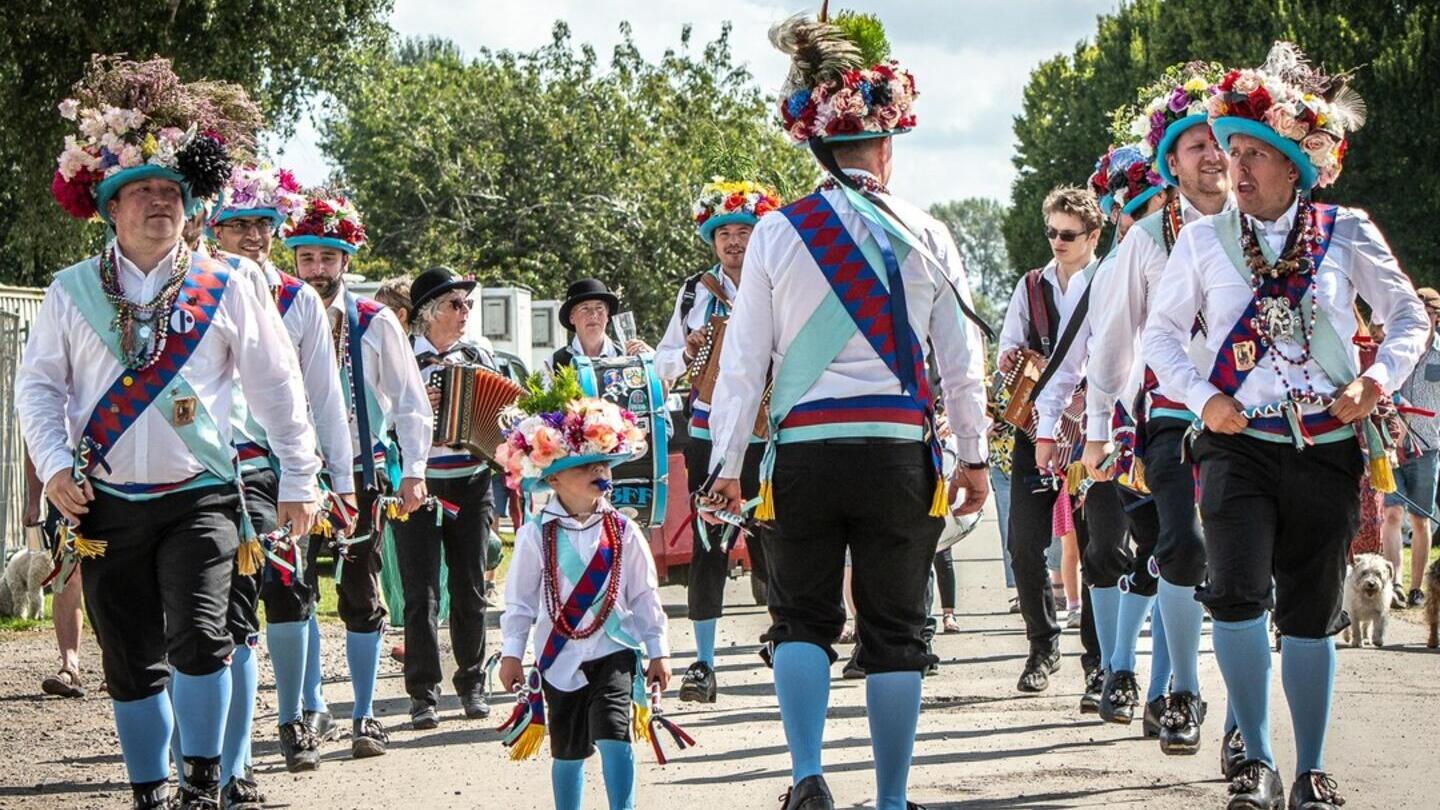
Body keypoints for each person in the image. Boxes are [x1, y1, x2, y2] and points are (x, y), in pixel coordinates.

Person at [19, 55, 322, 809]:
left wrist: (300, 478)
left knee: (202, 638)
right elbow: (39, 385)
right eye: (141, 191)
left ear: (190, 208)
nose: (159, 202)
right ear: (110, 208)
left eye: (171, 192)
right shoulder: (70, 291)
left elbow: (276, 384)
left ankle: (201, 780)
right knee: (128, 657)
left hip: (204, 496)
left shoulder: (230, 283)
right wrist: (55, 463)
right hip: (104, 502)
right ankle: (149, 789)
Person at [705, 10, 990, 808]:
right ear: (887, 145)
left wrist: (727, 466)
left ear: (813, 142)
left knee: (801, 619)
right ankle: (893, 798)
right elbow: (960, 364)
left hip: (804, 454)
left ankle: (807, 779)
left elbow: (742, 369)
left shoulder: (775, 233)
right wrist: (973, 455)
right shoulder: (930, 232)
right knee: (897, 629)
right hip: (898, 450)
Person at [1144, 43, 1427, 809]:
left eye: (1254, 154)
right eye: (1230, 152)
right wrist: (1204, 399)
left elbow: (1407, 318)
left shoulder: (1347, 231)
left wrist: (1376, 379)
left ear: (1296, 165)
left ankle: (1311, 770)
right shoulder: (1203, 240)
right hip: (1238, 444)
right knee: (1234, 593)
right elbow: (1161, 337)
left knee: (1311, 607)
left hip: (1328, 445)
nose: (1235, 168)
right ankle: (1258, 762)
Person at [1078, 63, 1239, 759]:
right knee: (1183, 547)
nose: (1210, 154)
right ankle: (1180, 689)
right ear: (1170, 163)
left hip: (1252, 414)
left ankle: (1243, 725)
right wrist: (1093, 436)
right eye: (1193, 143)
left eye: (1218, 141)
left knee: (1243, 569)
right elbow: (1112, 347)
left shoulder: (1265, 229)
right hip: (1171, 414)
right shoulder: (1146, 238)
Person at [208, 164, 356, 787]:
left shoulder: (297, 301)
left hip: (280, 472)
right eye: (238, 224)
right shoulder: (192, 291)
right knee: (223, 610)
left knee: (291, 591)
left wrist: (339, 480)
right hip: (211, 470)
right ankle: (222, 756)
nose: (252, 236)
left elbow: (324, 397)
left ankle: (295, 717)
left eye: (263, 224)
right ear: (212, 227)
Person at [283, 190, 433, 760]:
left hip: (361, 476)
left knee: (359, 590)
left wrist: (414, 471)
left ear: (346, 260)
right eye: (306, 258)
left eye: (327, 258)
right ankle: (312, 703)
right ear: (293, 260)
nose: (317, 270)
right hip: (293, 473)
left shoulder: (373, 321)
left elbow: (410, 401)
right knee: (291, 589)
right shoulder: (278, 313)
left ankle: (366, 713)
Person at [1034, 142, 1169, 725]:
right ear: (1118, 212)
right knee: (1103, 548)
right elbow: (1073, 361)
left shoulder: (1197, 252)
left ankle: (1161, 683)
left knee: (1174, 553)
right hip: (1113, 429)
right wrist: (1048, 428)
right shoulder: (1111, 270)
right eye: (1134, 208)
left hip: (1174, 423)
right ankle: (1116, 670)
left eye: (1153, 204)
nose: (1143, 219)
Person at [495, 374, 668, 810]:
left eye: (603, 464)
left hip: (614, 651)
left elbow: (645, 595)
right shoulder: (537, 536)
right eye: (584, 465)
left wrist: (658, 649)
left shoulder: (624, 531)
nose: (599, 472)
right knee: (567, 754)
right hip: (558, 659)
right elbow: (519, 602)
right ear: (552, 479)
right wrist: (512, 652)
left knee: (614, 735)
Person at [653, 177, 780, 704]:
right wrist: (687, 353)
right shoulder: (693, 293)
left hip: (768, 434)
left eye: (744, 230)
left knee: (778, 539)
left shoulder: (778, 282)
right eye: (723, 231)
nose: (733, 241)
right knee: (709, 546)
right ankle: (703, 664)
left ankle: (786, 641)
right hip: (709, 432)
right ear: (711, 239)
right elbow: (659, 364)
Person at [996, 185, 1120, 705]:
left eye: (1068, 234)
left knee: (1098, 546)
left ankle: (1098, 660)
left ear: (1094, 235)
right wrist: (1015, 360)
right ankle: (1042, 644)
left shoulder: (1111, 281)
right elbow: (1007, 347)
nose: (1057, 242)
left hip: (1095, 431)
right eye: (1051, 232)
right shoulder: (1031, 286)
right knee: (1024, 543)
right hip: (1038, 430)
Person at [395, 266, 497, 728]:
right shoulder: (400, 356)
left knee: (471, 585)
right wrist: (415, 407)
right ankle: (423, 692)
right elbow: (375, 418)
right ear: (429, 312)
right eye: (457, 304)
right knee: (421, 591)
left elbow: (503, 414)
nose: (465, 313)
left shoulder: (479, 354)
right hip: (416, 484)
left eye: (468, 304)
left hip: (471, 480)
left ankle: (472, 682)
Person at [1382, 287, 1440, 607]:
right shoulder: (1397, 347)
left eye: (1427, 313)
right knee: (1391, 513)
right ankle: (1393, 586)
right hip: (1393, 446)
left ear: (1435, 316)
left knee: (1420, 519)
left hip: (1429, 446)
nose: (1421, 319)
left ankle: (1416, 588)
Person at [25, 452, 85, 699]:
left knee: (114, 579)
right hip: (63, 494)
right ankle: (69, 666)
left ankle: (117, 666)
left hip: (115, 491)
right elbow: (33, 440)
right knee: (68, 576)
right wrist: (33, 500)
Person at [550, 278, 651, 369]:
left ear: (607, 316)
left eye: (599, 308)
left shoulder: (628, 355)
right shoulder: (554, 363)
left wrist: (652, 360)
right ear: (571, 317)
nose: (593, 314)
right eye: (584, 309)